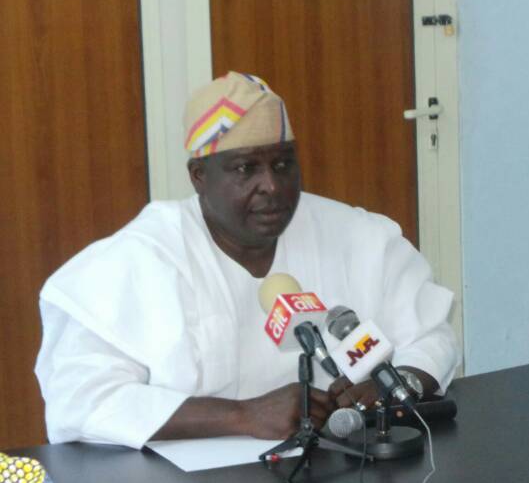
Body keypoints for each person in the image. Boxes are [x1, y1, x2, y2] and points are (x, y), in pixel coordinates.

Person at [35, 72, 460, 448]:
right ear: (199, 176)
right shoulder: (140, 258)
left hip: (345, 473)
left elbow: (432, 338)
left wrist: (395, 384)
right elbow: (80, 398)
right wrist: (243, 415)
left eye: (282, 164)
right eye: (245, 169)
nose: (271, 186)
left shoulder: (358, 237)